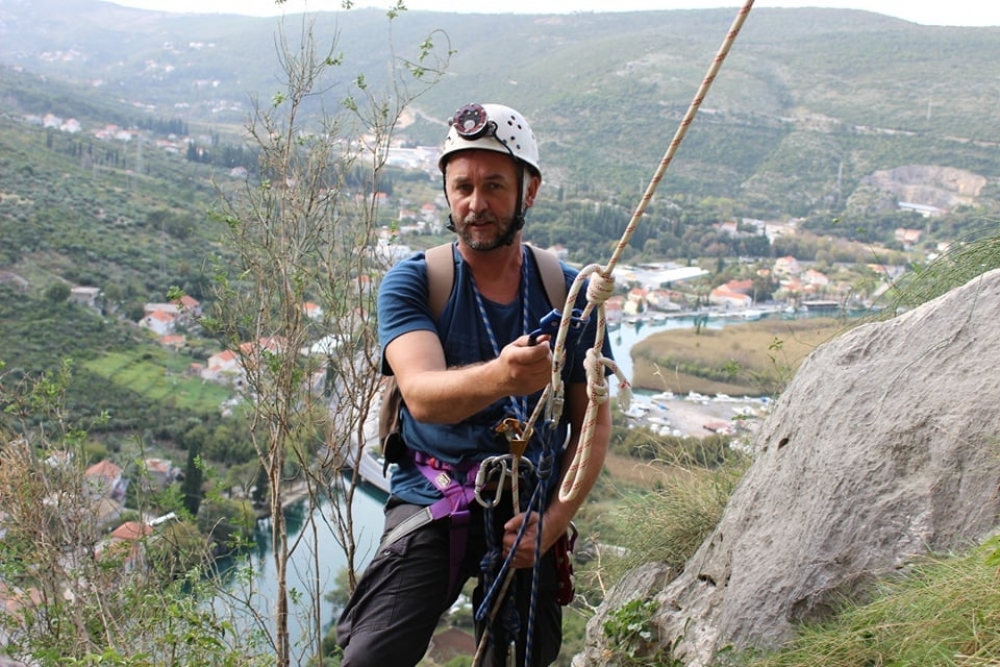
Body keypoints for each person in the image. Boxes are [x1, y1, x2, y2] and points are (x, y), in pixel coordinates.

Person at [336, 103, 613, 667]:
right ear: (445, 190)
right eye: (461, 187)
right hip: (434, 498)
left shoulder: (570, 294)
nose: (476, 204)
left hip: (527, 505)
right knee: (369, 657)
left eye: (494, 186)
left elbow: (592, 423)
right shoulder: (416, 282)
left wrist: (553, 522)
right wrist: (503, 376)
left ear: (528, 191)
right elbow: (422, 396)